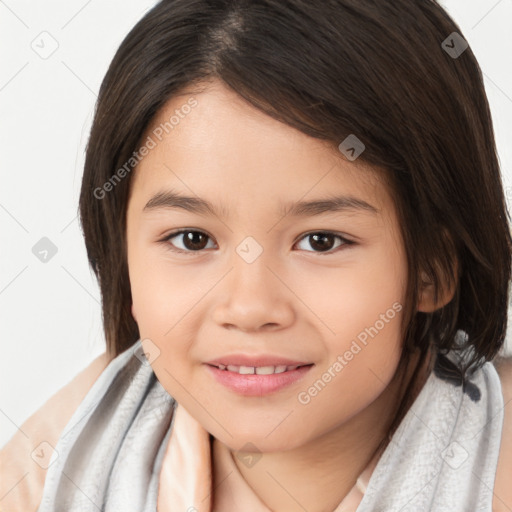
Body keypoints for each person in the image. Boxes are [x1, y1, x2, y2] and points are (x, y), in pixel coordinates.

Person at [1, 1, 512, 510]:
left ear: (432, 268)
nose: (249, 308)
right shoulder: (65, 459)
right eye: (192, 239)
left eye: (321, 241)